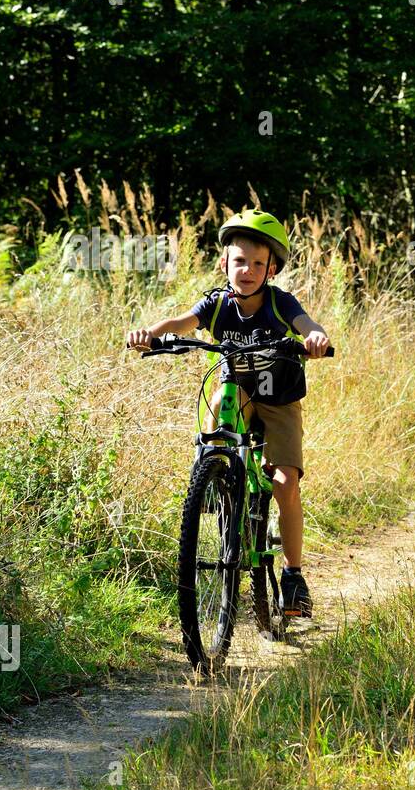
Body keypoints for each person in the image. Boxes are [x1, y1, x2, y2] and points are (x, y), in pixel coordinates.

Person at [126, 210, 331, 618]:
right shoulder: (218, 304)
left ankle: (292, 575)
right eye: (240, 261)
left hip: (279, 399)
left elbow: (305, 322)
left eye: (258, 263)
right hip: (239, 393)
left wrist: (314, 337)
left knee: (284, 481)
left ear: (271, 269)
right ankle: (214, 469)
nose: (248, 270)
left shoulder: (279, 302)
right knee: (220, 398)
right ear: (224, 264)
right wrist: (149, 333)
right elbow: (181, 321)